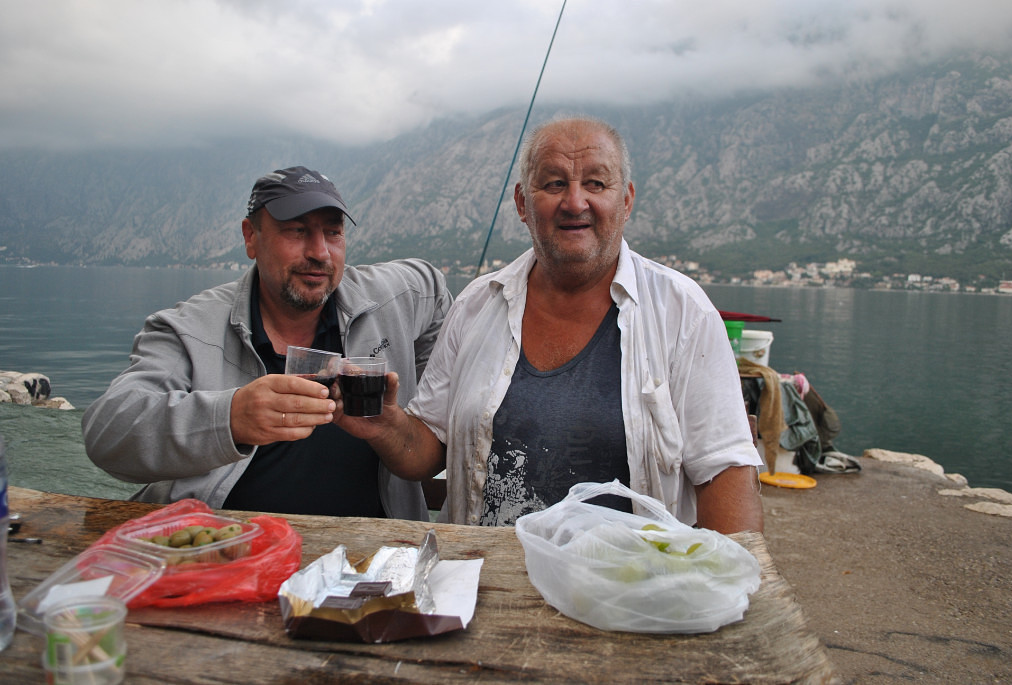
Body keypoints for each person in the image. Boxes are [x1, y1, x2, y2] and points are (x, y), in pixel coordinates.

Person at [337, 117, 764, 533]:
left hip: (629, 579)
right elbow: (428, 448)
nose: (575, 202)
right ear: (523, 203)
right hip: (485, 575)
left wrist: (732, 575)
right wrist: (386, 424)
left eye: (596, 184)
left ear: (626, 201)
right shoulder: (476, 305)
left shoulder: (682, 312)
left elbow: (725, 472)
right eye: (555, 183)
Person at [83, 166, 453, 520]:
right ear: (251, 237)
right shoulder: (190, 329)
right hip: (230, 549)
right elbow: (108, 432)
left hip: (373, 553)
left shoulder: (392, 297)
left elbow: (434, 289)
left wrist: (417, 405)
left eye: (333, 232)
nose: (320, 252)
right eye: (297, 231)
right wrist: (232, 418)